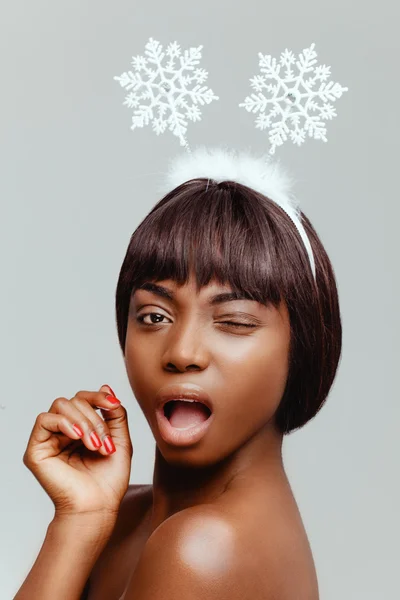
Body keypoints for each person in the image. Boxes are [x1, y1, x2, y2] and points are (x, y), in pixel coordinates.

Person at [14, 166, 342, 599]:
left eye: (234, 322)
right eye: (154, 317)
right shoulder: (127, 515)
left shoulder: (201, 549)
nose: (182, 353)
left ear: (302, 346)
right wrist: (80, 520)